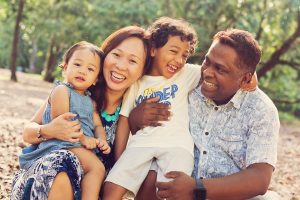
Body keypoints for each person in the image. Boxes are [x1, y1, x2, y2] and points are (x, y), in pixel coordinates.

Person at [131, 29, 280, 200]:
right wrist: (135, 118)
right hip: (176, 190)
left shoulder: (261, 110)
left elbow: (260, 179)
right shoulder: (189, 85)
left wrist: (197, 188)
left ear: (246, 79)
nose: (207, 72)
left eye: (220, 69)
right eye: (206, 62)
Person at [11, 26, 151, 200]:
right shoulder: (71, 91)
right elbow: (28, 132)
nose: (121, 65)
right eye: (116, 55)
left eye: (133, 61)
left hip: (90, 191)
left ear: (142, 71)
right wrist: (47, 130)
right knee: (61, 164)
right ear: (105, 56)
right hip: (46, 178)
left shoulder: (133, 109)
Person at [103, 17, 199, 200]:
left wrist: (252, 79)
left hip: (177, 145)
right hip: (142, 144)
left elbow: (213, 69)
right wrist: (120, 160)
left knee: (173, 191)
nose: (179, 60)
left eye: (185, 55)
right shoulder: (137, 82)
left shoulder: (187, 74)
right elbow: (124, 120)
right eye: (174, 51)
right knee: (112, 187)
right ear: (153, 49)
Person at [18, 41, 111, 200]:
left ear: (96, 79)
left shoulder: (91, 101)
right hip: (62, 145)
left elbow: (97, 124)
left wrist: (101, 139)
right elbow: (64, 123)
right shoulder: (61, 91)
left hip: (77, 146)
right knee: (97, 168)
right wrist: (84, 139)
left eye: (90, 69)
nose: (82, 71)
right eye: (77, 64)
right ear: (65, 67)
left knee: (95, 169)